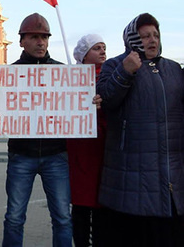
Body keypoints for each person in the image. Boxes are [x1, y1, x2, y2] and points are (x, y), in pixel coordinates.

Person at [96, 13, 184, 247]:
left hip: (172, 181)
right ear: (132, 39)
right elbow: (106, 100)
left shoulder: (175, 69)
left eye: (155, 35)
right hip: (130, 181)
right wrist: (125, 72)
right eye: (145, 36)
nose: (152, 40)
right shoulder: (114, 65)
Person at [0, 13, 72, 247]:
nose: (41, 42)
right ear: (22, 41)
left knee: (63, 218)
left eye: (44, 37)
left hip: (56, 155)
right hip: (21, 156)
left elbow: (75, 110)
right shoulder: (9, 75)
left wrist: (87, 101)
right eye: (35, 37)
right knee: (14, 217)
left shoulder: (64, 74)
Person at [68, 34, 108, 247]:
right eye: (96, 48)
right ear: (83, 56)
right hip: (80, 151)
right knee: (82, 206)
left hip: (104, 150)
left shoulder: (112, 77)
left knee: (103, 206)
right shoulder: (70, 80)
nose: (102, 51)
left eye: (104, 47)